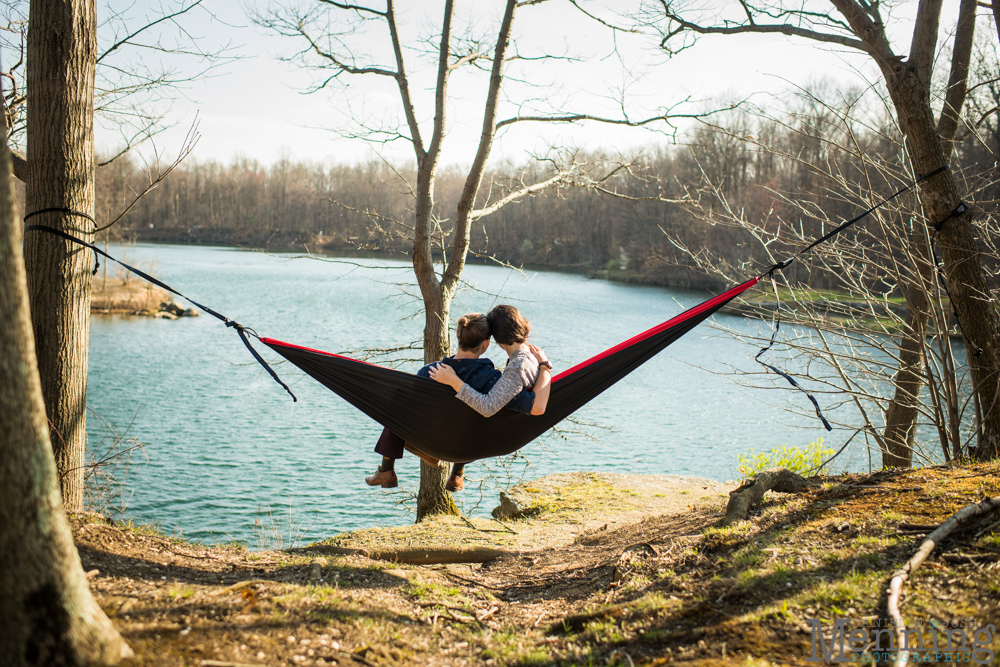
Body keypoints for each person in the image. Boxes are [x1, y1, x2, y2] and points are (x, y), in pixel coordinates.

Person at [365, 313, 537, 492]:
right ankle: (457, 474)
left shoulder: (429, 372)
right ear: (486, 344)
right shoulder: (492, 380)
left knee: (401, 399)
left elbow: (413, 412)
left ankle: (387, 468)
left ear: (457, 335)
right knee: (478, 409)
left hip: (430, 441)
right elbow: (519, 401)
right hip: (464, 447)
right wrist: (540, 366)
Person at [429, 303, 552, 417]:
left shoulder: (518, 366)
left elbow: (487, 407)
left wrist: (453, 380)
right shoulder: (528, 356)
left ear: (497, 341)